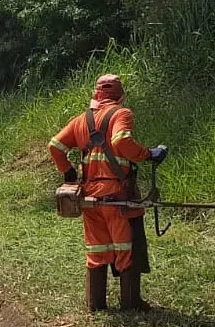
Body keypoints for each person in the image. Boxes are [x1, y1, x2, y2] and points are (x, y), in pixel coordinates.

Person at [49, 74, 167, 312]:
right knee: (126, 247)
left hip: (90, 197)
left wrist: (68, 172)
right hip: (117, 195)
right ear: (120, 95)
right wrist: (148, 154)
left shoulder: (81, 120)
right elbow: (121, 140)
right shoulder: (122, 114)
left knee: (97, 250)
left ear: (96, 94)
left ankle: (97, 304)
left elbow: (55, 146)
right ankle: (130, 303)